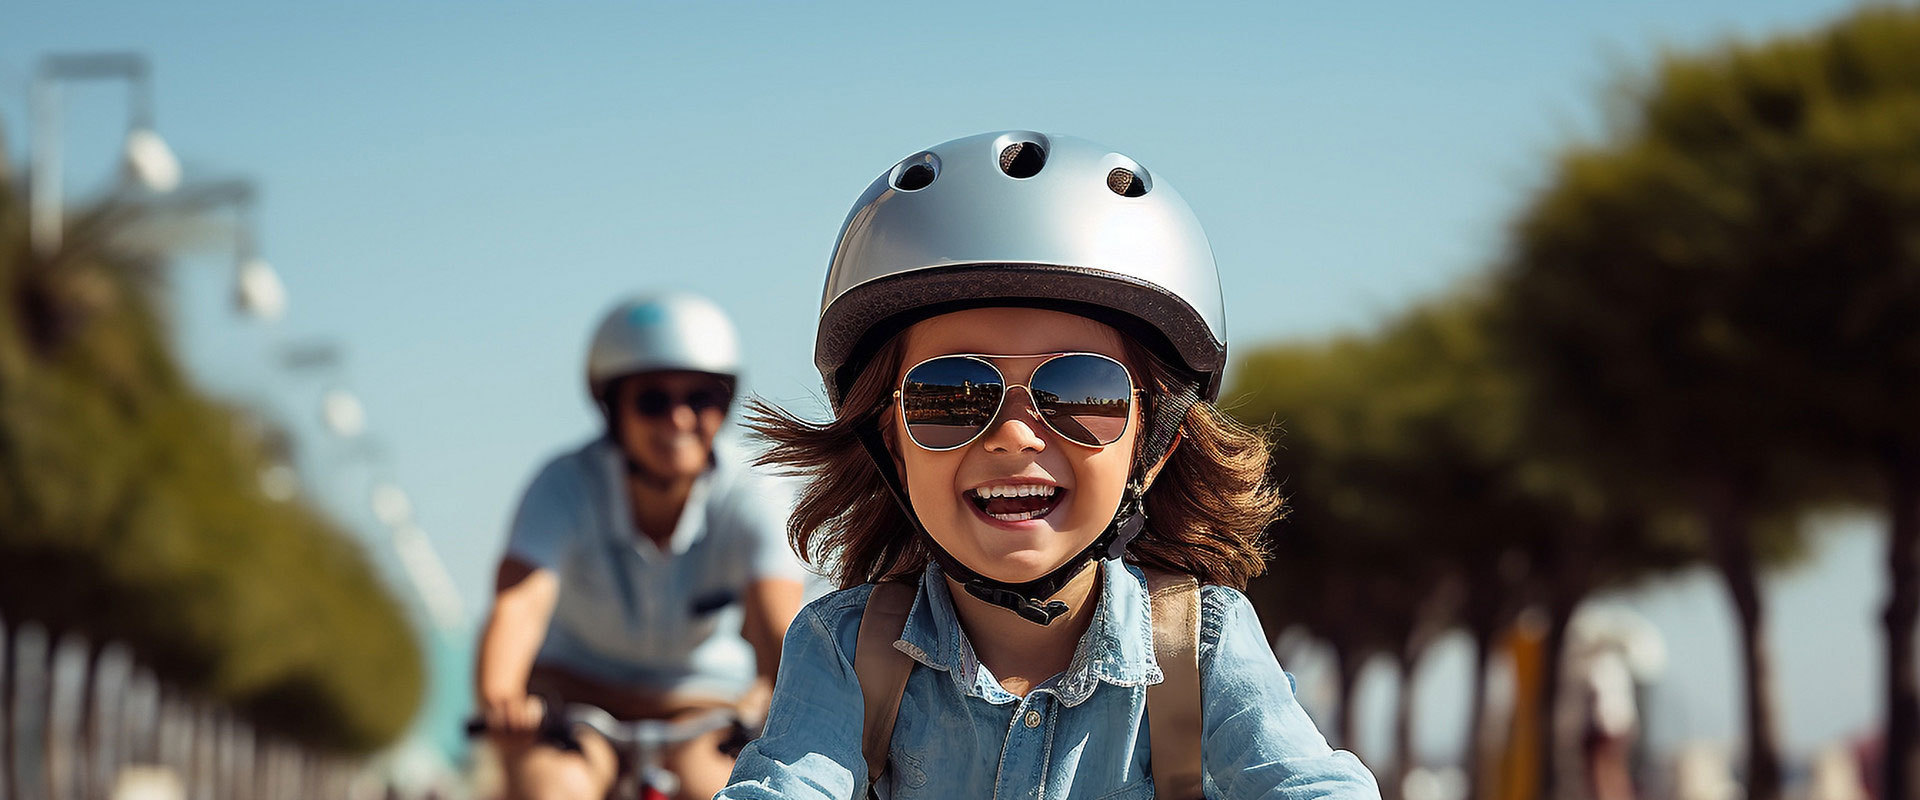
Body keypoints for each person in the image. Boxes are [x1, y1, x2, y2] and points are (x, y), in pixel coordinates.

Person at [720, 132, 1379, 799]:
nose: (1013, 435)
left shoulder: (1201, 649)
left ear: (1155, 447)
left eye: (1078, 392)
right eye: (949, 395)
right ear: (891, 440)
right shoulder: (845, 649)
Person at [476, 292, 807, 800]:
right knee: (556, 788)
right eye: (652, 400)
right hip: (573, 698)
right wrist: (502, 697)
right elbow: (519, 606)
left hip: (699, 704)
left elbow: (779, 624)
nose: (678, 420)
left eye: (701, 399)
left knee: (724, 790)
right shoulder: (562, 485)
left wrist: (786, 699)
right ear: (612, 410)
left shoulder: (754, 491)